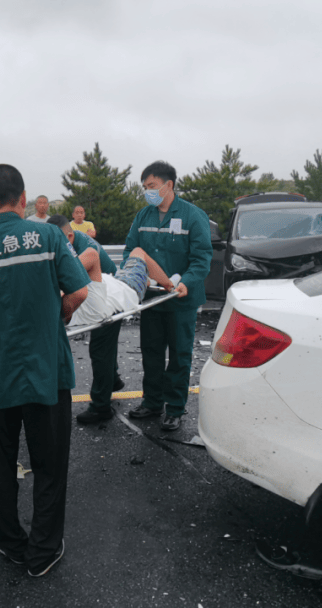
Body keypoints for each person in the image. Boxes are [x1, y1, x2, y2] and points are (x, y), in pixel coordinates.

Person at [0, 164, 89, 577]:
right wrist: (56, 313)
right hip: (46, 374)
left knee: (2, 467)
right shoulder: (45, 237)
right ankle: (43, 552)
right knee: (49, 465)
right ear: (24, 199)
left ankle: (9, 541)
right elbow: (78, 289)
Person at [48, 215, 166, 424]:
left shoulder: (81, 249)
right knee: (102, 348)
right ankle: (113, 382)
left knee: (139, 254)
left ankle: (101, 405)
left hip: (124, 285)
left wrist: (169, 285)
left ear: (69, 236)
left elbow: (92, 256)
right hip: (111, 288)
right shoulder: (71, 291)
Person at [123, 161, 212, 432]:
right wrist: (140, 276)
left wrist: (183, 281)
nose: (148, 192)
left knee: (179, 354)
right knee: (151, 352)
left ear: (168, 185)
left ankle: (174, 408)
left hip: (181, 299)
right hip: (151, 298)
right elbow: (130, 251)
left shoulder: (192, 216)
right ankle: (152, 402)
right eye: (145, 188)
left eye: (151, 186)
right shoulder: (144, 216)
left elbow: (201, 258)